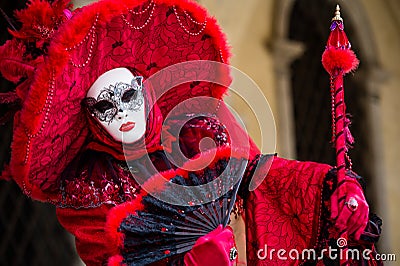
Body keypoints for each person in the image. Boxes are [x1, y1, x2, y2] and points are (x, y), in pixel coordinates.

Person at [0, 0, 381, 265]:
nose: (121, 113)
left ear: (146, 86)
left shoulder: (201, 128)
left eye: (128, 94)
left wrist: (328, 188)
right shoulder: (87, 190)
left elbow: (264, 180)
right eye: (104, 106)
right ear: (89, 117)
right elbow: (109, 257)